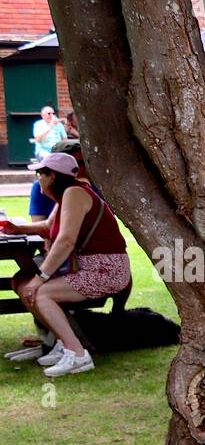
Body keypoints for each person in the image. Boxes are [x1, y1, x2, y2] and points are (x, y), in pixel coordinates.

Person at [1, 152, 130, 377]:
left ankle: (78, 355)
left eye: (40, 174)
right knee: (21, 281)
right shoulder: (68, 194)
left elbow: (66, 240)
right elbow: (49, 226)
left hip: (105, 269)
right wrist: (18, 229)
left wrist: (40, 277)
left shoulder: (74, 193)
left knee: (40, 292)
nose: (38, 179)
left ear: (52, 177)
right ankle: (60, 344)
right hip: (93, 266)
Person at [29, 139, 96, 220]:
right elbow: (40, 224)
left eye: (82, 163)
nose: (77, 169)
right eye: (71, 165)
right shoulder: (41, 186)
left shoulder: (95, 187)